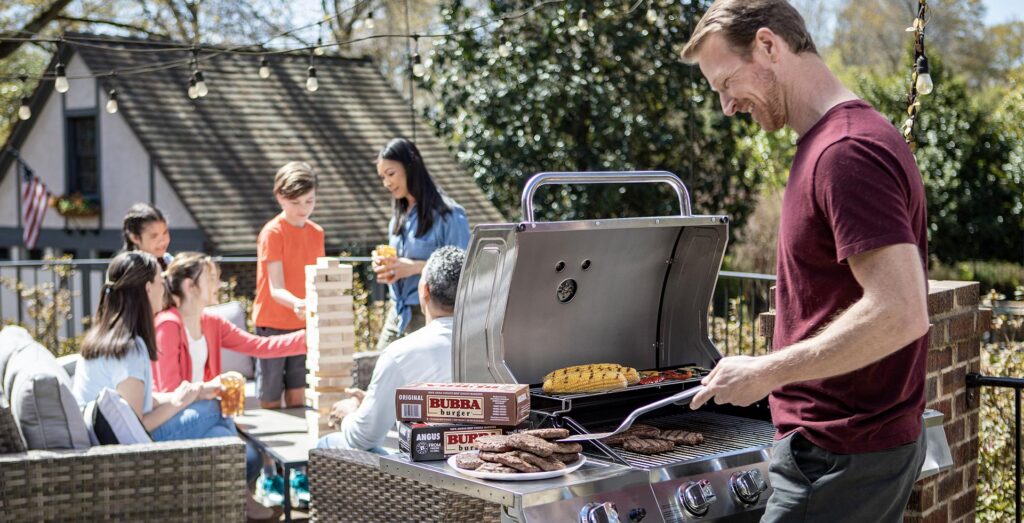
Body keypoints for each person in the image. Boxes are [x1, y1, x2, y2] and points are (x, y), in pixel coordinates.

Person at [681, 2, 929, 521]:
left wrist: (766, 371)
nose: (726, 106)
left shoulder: (847, 151)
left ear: (769, 46)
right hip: (844, 452)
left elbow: (901, 309)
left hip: (840, 456)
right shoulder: (826, 144)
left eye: (727, 82)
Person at [70, 252, 277, 521]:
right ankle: (242, 502)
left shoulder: (107, 337)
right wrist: (181, 402)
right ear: (147, 289)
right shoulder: (130, 348)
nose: (164, 287)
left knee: (217, 434)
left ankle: (236, 502)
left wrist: (189, 392)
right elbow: (140, 423)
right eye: (159, 280)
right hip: (128, 452)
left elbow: (135, 404)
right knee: (217, 408)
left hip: (108, 444)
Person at [317, 246, 465, 453]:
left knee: (326, 444)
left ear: (424, 290)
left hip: (427, 474)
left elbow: (363, 438)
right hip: (487, 465)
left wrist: (349, 413)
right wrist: (370, 403)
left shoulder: (401, 354)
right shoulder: (498, 344)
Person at [251, 161, 324, 507]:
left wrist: (311, 306)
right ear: (280, 197)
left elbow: (318, 279)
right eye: (297, 203)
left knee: (297, 400)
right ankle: (270, 475)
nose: (303, 209)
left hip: (303, 328)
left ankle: (299, 473)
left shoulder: (317, 233)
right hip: (270, 326)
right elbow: (276, 286)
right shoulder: (272, 233)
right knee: (269, 402)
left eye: (309, 201)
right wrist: (298, 303)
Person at [153, 252, 307, 392]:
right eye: (211, 279)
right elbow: (171, 392)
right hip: (177, 415)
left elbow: (258, 346)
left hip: (204, 409)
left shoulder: (212, 323)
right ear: (189, 285)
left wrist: (310, 337)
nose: (219, 285)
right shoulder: (168, 325)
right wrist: (213, 389)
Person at [373, 138, 471, 351]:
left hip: (429, 315)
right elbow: (399, 264)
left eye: (391, 174)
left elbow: (464, 267)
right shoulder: (398, 217)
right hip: (398, 312)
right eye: (382, 177)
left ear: (411, 167)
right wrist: (387, 267)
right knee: (380, 370)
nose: (386, 183)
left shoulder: (451, 215)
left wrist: (415, 267)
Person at [122, 203, 172, 268]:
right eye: (154, 236)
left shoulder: (170, 261)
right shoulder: (125, 270)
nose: (163, 241)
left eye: (165, 233)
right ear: (135, 238)